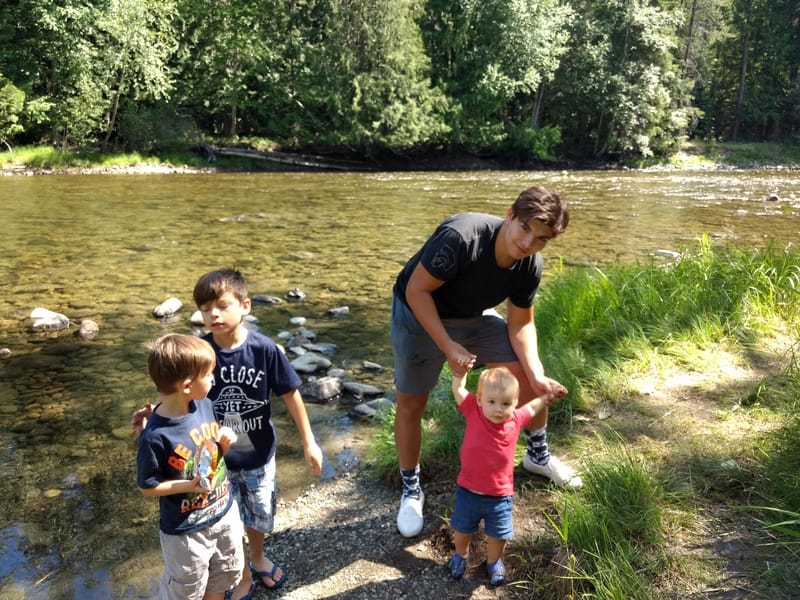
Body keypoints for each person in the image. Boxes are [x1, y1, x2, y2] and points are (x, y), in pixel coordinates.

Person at [391, 185, 581, 538]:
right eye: (525, 228)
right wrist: (448, 347)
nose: (528, 243)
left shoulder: (529, 265)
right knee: (411, 402)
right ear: (510, 214)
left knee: (525, 374)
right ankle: (411, 488)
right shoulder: (461, 238)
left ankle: (537, 456)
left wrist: (537, 375)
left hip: (472, 317)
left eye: (541, 239)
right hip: (417, 312)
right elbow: (417, 290)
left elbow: (521, 323)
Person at [134, 269, 324, 600]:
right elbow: (175, 392)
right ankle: (244, 574)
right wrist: (155, 414)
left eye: (222, 306)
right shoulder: (198, 353)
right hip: (213, 462)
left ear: (245, 306)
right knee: (227, 523)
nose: (213, 315)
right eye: (205, 309)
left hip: (258, 455)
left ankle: (258, 556)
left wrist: (309, 442)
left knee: (259, 513)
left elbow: (291, 393)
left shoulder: (264, 349)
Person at [137, 333, 244, 600]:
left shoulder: (204, 405)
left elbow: (210, 456)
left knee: (221, 577)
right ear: (186, 386)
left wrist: (224, 445)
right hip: (186, 533)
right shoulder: (155, 436)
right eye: (208, 375)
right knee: (187, 589)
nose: (213, 379)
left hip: (222, 513)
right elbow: (148, 487)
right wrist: (188, 486)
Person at [447, 366, 564, 586]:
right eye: (492, 402)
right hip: (468, 491)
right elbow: (459, 389)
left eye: (506, 403)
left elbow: (533, 406)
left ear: (515, 403)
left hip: (500, 495)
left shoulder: (515, 419)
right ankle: (461, 555)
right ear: (480, 399)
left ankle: (494, 562)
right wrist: (459, 374)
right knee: (461, 530)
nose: (498, 409)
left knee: (498, 535)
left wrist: (547, 397)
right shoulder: (473, 410)